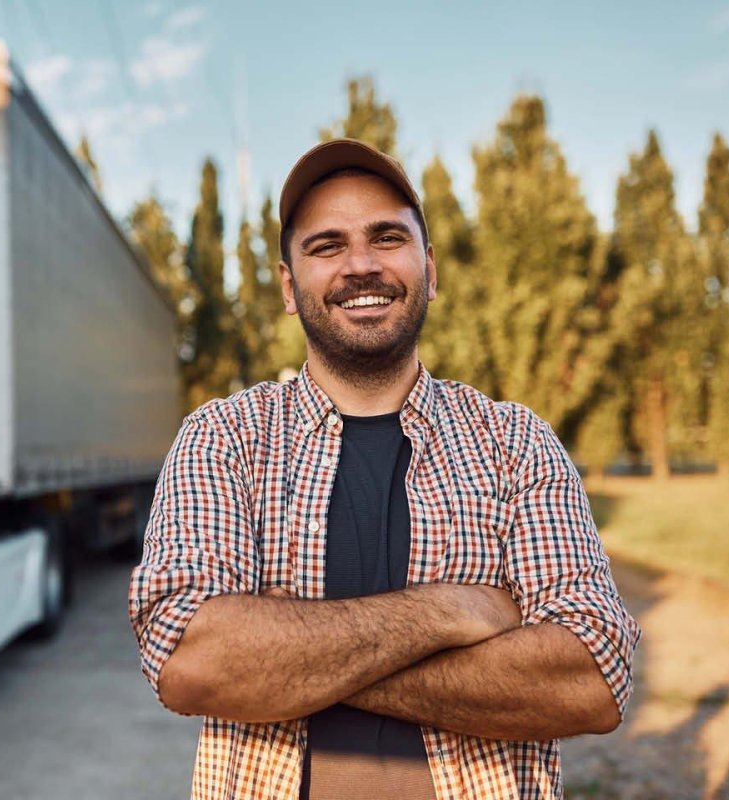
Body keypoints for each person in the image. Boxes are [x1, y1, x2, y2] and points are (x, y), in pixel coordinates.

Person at [129, 138, 640, 799]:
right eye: (326, 246)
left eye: (387, 237)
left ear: (430, 268)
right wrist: (448, 613)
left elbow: (591, 679)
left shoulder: (516, 442)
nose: (361, 265)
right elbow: (192, 664)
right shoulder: (224, 439)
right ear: (289, 287)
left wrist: (289, 661)